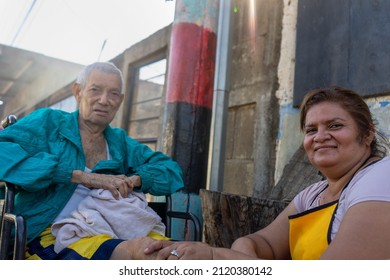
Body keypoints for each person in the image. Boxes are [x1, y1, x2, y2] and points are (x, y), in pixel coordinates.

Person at [144, 86, 390, 260]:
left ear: (367, 134)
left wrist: (215, 256)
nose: (320, 136)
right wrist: (244, 254)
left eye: (335, 125)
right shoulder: (312, 195)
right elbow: (262, 244)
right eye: (311, 129)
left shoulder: (381, 177)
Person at [0, 61, 184, 260]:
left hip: (113, 226)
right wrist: (80, 176)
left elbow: (171, 171)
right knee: (138, 255)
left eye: (114, 94)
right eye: (95, 90)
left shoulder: (120, 142)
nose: (104, 100)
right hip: (50, 234)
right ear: (78, 92)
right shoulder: (48, 123)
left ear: (120, 100)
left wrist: (136, 180)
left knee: (170, 255)